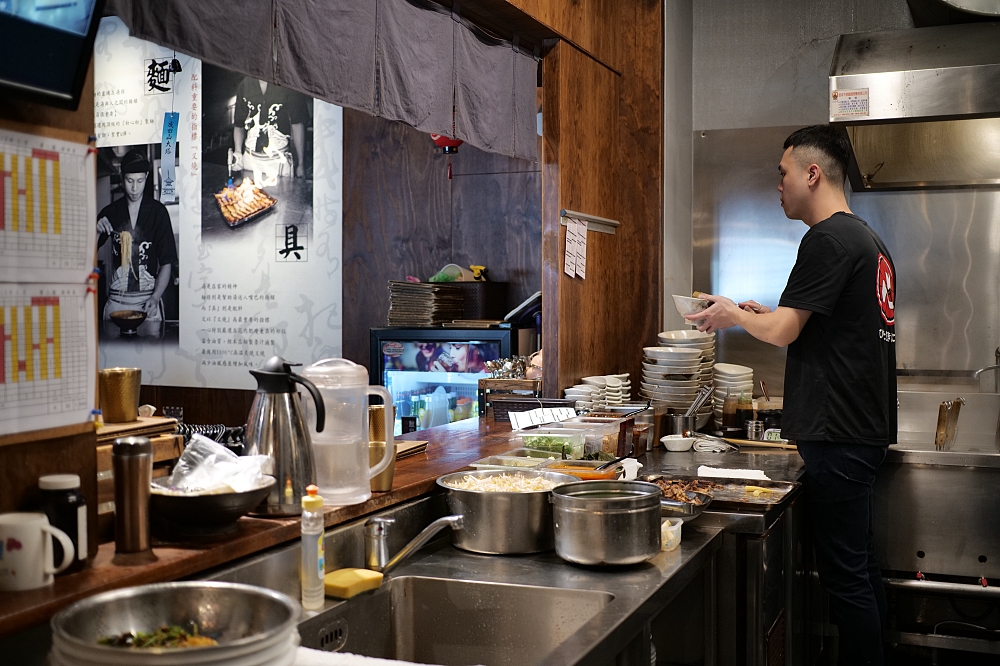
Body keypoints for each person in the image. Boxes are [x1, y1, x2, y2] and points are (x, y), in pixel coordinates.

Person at [686, 125, 896, 666]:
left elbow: (785, 332)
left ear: (812, 173)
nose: (777, 185)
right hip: (859, 429)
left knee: (847, 576)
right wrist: (755, 313)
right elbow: (803, 323)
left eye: (782, 174)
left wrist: (734, 316)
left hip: (840, 432)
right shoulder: (867, 241)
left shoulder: (825, 238)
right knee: (861, 567)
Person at [97, 149, 179, 323]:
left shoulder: (158, 212)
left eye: (140, 181)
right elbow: (86, 253)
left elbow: (166, 262)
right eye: (129, 181)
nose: (135, 188)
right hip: (117, 302)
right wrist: (96, 231)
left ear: (147, 177)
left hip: (148, 302)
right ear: (122, 176)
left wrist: (156, 297)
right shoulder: (110, 212)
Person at [232, 77, 308, 186]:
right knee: (251, 200)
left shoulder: (289, 84)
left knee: (283, 201)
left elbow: (297, 124)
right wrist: (238, 152)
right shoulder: (245, 85)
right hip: (250, 160)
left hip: (279, 160)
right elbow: (238, 125)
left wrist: (301, 163)